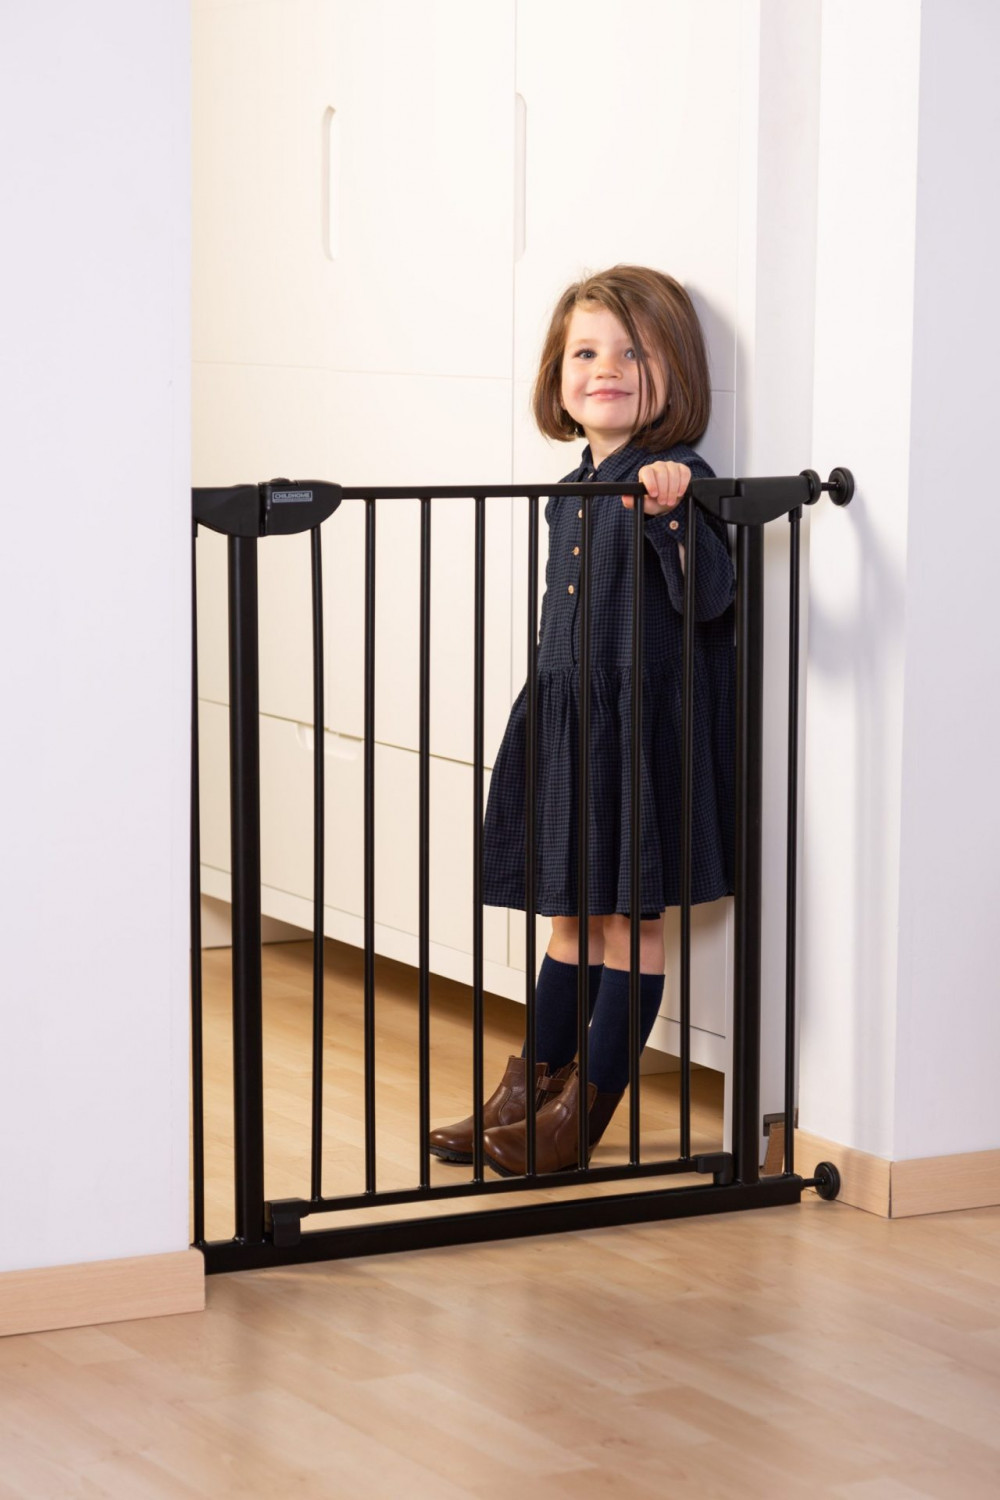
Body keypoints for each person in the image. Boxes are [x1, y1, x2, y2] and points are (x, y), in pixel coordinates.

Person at [429, 264, 736, 1176]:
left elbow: (711, 597)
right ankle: (525, 1095)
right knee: (567, 919)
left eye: (634, 353)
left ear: (676, 371)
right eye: (586, 353)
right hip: (570, 720)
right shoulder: (572, 486)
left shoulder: (676, 478)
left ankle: (580, 1117)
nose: (607, 369)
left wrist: (672, 514)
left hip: (637, 731)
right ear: (557, 376)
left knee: (628, 927)